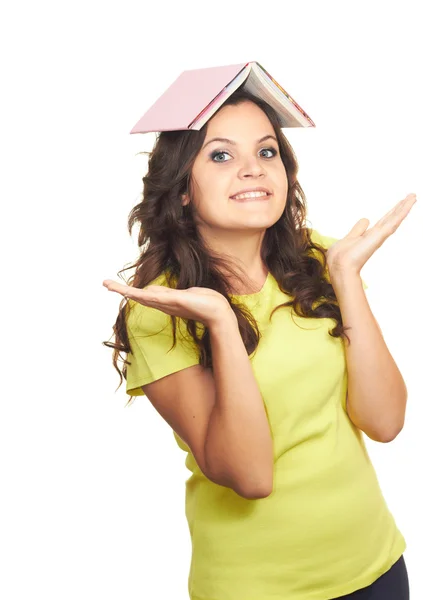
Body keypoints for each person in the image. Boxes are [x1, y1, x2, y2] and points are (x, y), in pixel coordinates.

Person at [103, 86, 414, 599]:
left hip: (376, 566)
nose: (253, 169)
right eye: (221, 155)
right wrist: (224, 326)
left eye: (266, 151)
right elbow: (249, 476)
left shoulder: (319, 258)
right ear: (182, 187)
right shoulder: (160, 311)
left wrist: (346, 278)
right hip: (258, 586)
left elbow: (385, 422)